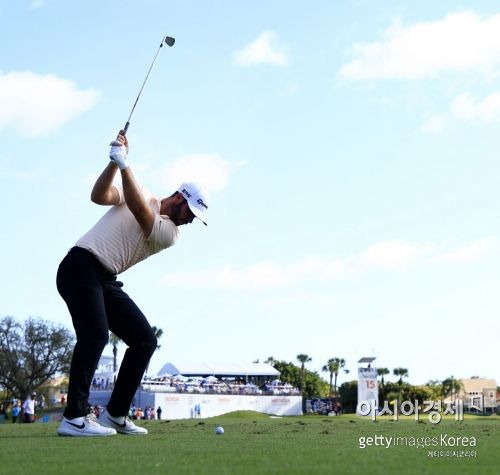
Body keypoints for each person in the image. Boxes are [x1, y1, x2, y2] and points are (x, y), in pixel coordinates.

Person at [56, 132, 208, 437]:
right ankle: (74, 417)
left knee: (144, 340)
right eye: (190, 212)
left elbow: (141, 211)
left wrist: (125, 164)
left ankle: (115, 414)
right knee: (96, 335)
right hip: (80, 266)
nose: (190, 220)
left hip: (104, 279)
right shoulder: (137, 192)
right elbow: (99, 196)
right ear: (179, 197)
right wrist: (114, 163)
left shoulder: (169, 233)